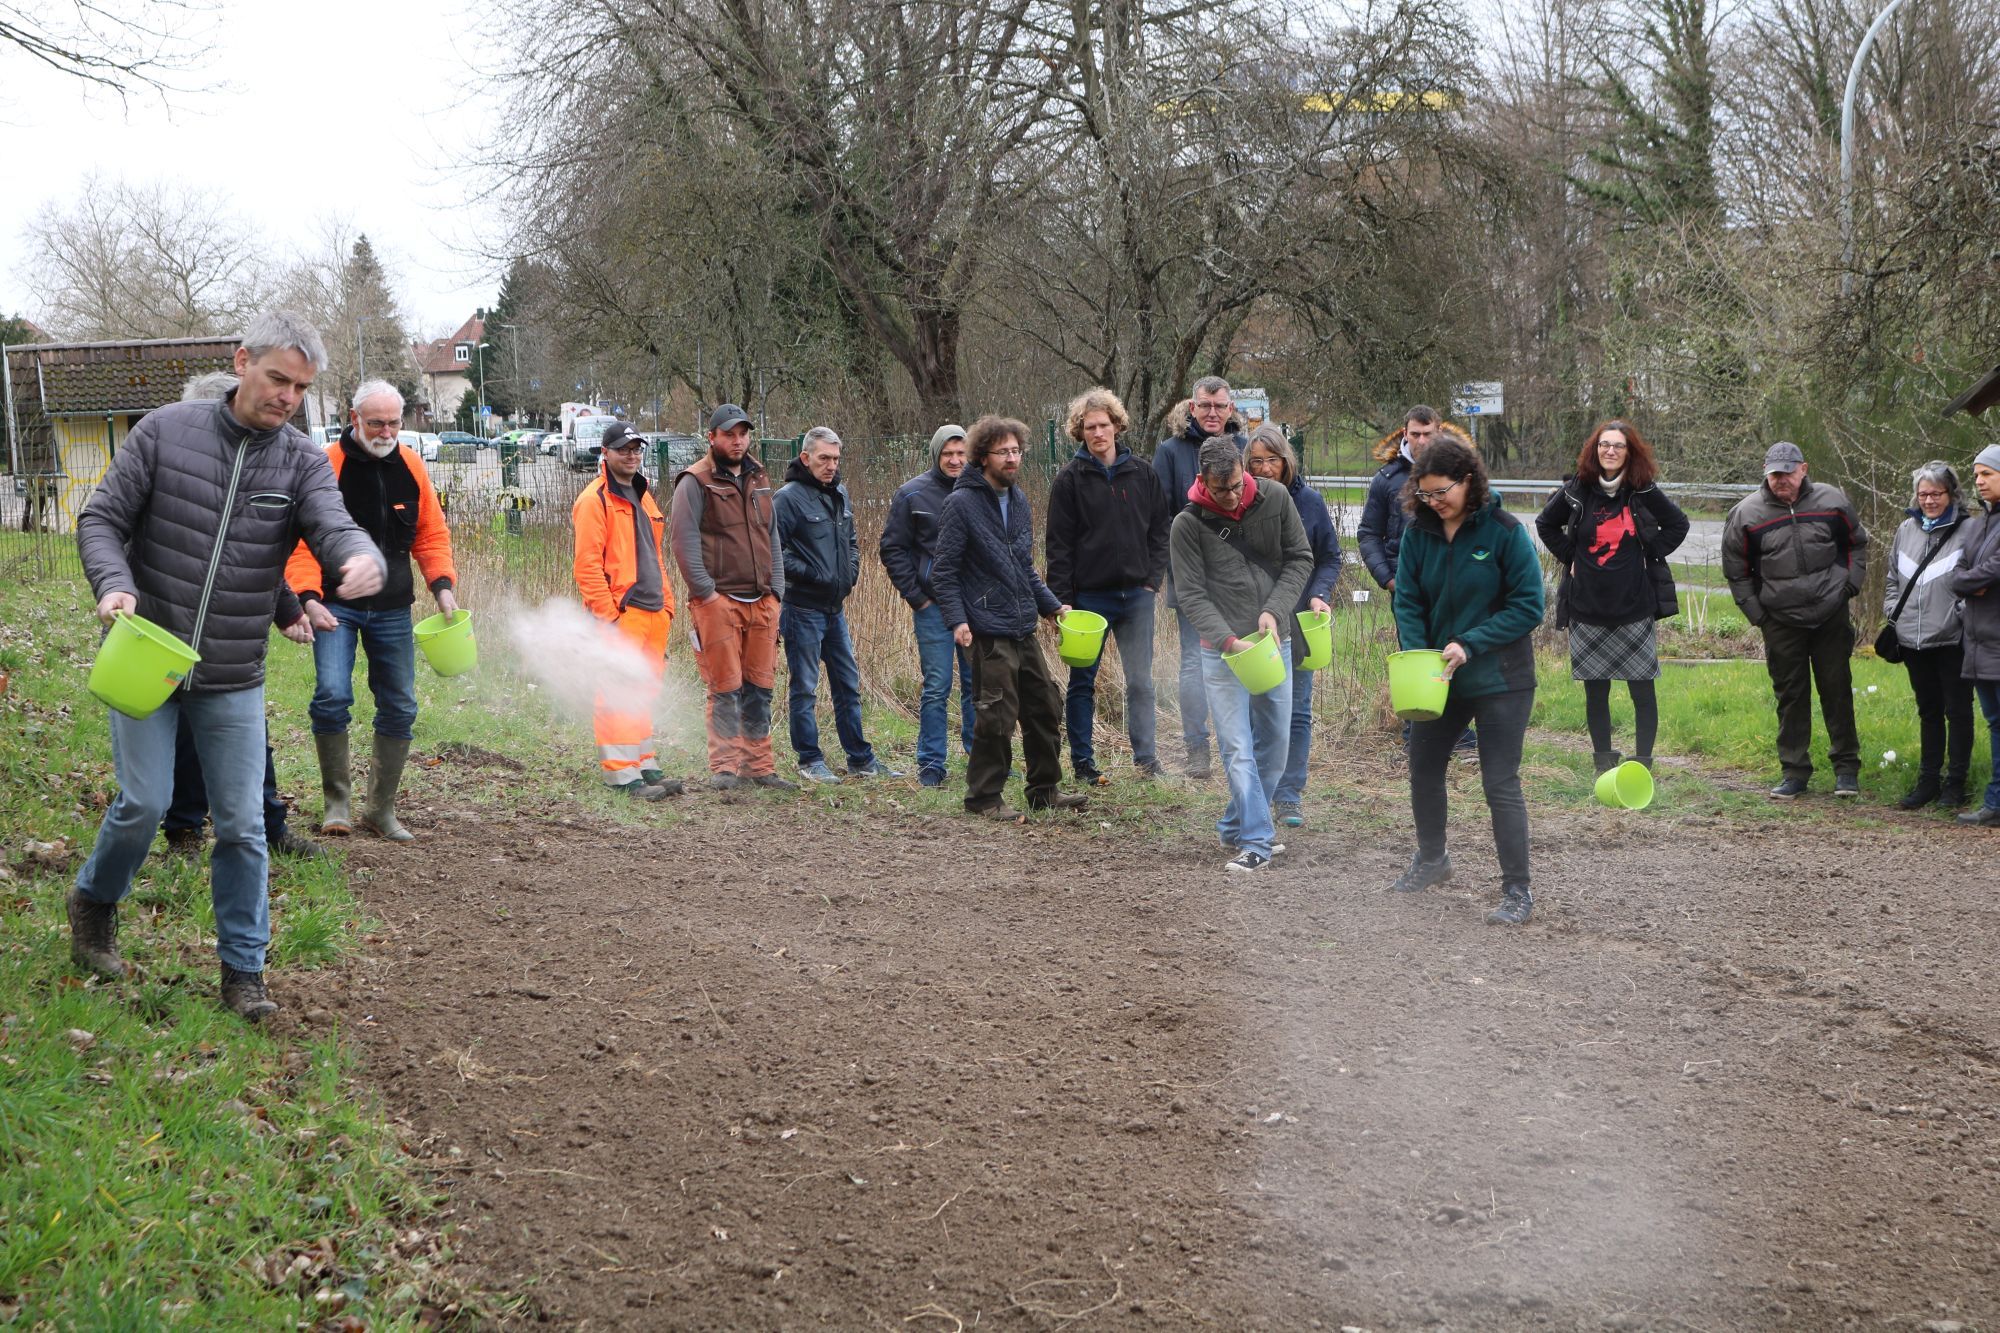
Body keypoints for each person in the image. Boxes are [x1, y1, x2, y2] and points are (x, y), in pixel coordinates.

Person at [71, 312, 385, 1021]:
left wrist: (355, 556)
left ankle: (244, 971)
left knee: (243, 824)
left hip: (233, 672)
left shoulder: (301, 459)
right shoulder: (165, 431)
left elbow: (326, 522)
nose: (287, 397)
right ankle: (93, 900)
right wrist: (113, 582)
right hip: (145, 651)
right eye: (277, 378)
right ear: (242, 360)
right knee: (144, 804)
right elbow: (101, 520)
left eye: (301, 387)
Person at [286, 380, 459, 839]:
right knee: (331, 696)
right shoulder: (325, 465)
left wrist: (442, 587)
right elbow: (300, 541)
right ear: (354, 417)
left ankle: (380, 809)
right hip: (334, 607)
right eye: (376, 422)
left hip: (393, 609)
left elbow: (431, 535)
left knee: (400, 705)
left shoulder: (412, 466)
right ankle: (336, 803)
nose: (386, 432)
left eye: (394, 423)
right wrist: (307, 597)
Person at [160, 370, 322, 860]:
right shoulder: (171, 467)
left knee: (253, 740)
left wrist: (290, 610)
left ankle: (271, 826)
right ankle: (184, 830)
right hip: (169, 633)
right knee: (187, 739)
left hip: (233, 639)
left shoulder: (256, 473)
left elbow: (255, 562)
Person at [1391, 436, 1545, 924]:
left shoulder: (1503, 531)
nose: (1433, 502)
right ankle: (1432, 860)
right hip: (1439, 678)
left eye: (1442, 492)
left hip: (1502, 678)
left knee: (1499, 781)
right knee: (1423, 767)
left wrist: (1470, 643)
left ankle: (1517, 891)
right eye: (1425, 494)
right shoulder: (1420, 533)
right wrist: (1420, 652)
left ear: (1469, 481)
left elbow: (1528, 606)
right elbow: (1408, 599)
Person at [932, 415, 1089, 821]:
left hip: (1023, 626)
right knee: (996, 716)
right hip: (985, 629)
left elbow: (1024, 567)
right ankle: (984, 798)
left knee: (1045, 707)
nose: (1013, 458)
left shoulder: (1019, 500)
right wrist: (957, 620)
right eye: (1004, 452)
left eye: (1017, 451)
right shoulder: (960, 504)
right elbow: (943, 572)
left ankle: (1044, 790)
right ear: (983, 456)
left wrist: (1053, 606)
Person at [1170, 436, 1313, 871]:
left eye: (1236, 485)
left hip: (1274, 644)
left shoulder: (1276, 497)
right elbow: (1191, 596)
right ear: (1202, 482)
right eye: (1220, 490)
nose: (1231, 496)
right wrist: (1229, 640)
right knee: (1236, 746)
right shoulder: (1187, 525)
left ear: (1243, 471)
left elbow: (1300, 559)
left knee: (1276, 745)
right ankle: (1257, 840)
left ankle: (1236, 825)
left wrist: (1274, 610)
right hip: (1222, 653)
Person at [1534, 420, 1689, 774]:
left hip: (1634, 606)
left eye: (1618, 446)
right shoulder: (1578, 490)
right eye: (1605, 444)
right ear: (1595, 449)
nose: (1610, 451)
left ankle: (1643, 761)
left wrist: (1647, 555)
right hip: (1587, 607)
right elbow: (1546, 524)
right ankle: (1603, 759)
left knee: (1642, 690)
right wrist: (1570, 557)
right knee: (1596, 690)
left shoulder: (1643, 490)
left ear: (1629, 452)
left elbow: (1678, 524)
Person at [1722, 442, 1869, 799]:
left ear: (1803, 469)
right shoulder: (1746, 514)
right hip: (1780, 620)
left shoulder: (1832, 501)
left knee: (1836, 690)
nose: (1781, 480)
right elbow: (1737, 571)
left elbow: (1856, 544)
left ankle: (1846, 769)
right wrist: (1758, 615)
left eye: (1787, 472)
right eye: (1774, 474)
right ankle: (1794, 771)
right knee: (1791, 696)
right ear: (1765, 472)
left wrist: (1849, 585)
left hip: (1829, 613)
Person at [1045, 387, 1171, 784]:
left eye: (1104, 425)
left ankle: (1146, 759)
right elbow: (1058, 547)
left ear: (1117, 426)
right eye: (1089, 427)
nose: (1098, 433)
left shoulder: (1144, 473)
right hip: (1088, 599)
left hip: (1136, 596)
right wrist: (1061, 602)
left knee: (1140, 681)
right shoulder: (1069, 481)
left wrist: (1152, 581)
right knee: (1082, 682)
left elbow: (1160, 532)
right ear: (1079, 432)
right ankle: (1084, 764)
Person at [670, 404, 795, 790]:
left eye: (743, 433)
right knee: (725, 688)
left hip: (761, 602)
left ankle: (758, 767)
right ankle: (725, 768)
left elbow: (770, 534)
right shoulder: (695, 481)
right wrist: (706, 595)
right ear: (713, 437)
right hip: (718, 603)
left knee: (759, 688)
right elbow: (683, 542)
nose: (737, 440)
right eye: (729, 434)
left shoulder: (759, 478)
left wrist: (777, 590)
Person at [773, 427, 896, 782]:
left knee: (848, 685)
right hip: (802, 609)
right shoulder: (788, 499)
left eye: (836, 459)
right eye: (824, 458)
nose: (831, 466)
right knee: (805, 688)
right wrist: (815, 573)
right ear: (806, 458)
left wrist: (851, 571)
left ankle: (860, 759)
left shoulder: (840, 492)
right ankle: (810, 760)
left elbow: (852, 540)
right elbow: (773, 554)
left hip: (834, 610)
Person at [571, 420, 682, 800]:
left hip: (654, 612)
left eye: (637, 448)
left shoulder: (644, 495)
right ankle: (621, 774)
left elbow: (655, 555)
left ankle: (644, 764)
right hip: (622, 613)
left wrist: (667, 604)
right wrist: (610, 618)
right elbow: (587, 567)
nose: (632, 455)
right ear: (605, 453)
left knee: (644, 691)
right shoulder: (593, 500)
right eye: (623, 449)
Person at [1243, 426, 1342, 828]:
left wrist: (1320, 594)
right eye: (1256, 462)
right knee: (1255, 711)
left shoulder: (1310, 503)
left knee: (1297, 712)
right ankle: (1255, 792)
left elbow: (1330, 558)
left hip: (1300, 621)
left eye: (1273, 460)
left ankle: (1289, 795)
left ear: (1287, 461)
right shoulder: (1240, 502)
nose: (1265, 468)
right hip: (1254, 624)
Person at [1153, 376, 1242, 778]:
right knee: (1193, 663)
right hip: (1191, 577)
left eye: (1219, 406)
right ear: (1192, 407)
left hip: (1241, 583)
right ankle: (1196, 749)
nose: (1211, 413)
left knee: (1240, 660)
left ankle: (1237, 743)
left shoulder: (1244, 450)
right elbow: (1159, 516)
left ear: (1230, 409)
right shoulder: (1170, 453)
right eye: (1204, 406)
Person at [879, 423, 976, 787]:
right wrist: (916, 597)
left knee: (976, 686)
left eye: (960, 453)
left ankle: (980, 757)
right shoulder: (912, 495)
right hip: (933, 607)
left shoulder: (980, 492)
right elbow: (892, 548)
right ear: (936, 454)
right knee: (937, 686)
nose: (954, 460)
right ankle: (932, 763)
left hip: (973, 607)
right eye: (948, 454)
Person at [1881, 461, 1976, 810]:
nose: (1929, 500)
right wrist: (1894, 612)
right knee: (1929, 711)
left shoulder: (1970, 530)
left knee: (1958, 711)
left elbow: (1979, 583)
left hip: (1952, 639)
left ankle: (1956, 784)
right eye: (1923, 494)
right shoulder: (1906, 529)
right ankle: (1927, 782)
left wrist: (1959, 618)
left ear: (1951, 494)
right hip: (1912, 639)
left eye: (1936, 493)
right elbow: (1892, 579)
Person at [1950, 445, 2000, 827]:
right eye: (1977, 475)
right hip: (1980, 641)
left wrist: (1973, 580)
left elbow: (1991, 571)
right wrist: (1970, 582)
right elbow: (1962, 571)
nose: (1979, 482)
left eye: (1988, 474)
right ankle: (1995, 804)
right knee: (1996, 722)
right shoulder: (1980, 522)